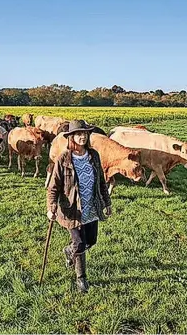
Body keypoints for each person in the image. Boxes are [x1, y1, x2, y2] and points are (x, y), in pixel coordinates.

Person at [46, 120, 112, 293]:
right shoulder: (64, 159)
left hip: (91, 206)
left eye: (85, 134)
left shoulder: (94, 155)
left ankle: (69, 250)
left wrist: (107, 202)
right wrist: (51, 206)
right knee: (81, 243)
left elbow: (101, 182)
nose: (82, 137)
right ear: (71, 137)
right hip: (72, 209)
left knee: (91, 240)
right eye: (78, 134)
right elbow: (54, 186)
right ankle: (81, 279)